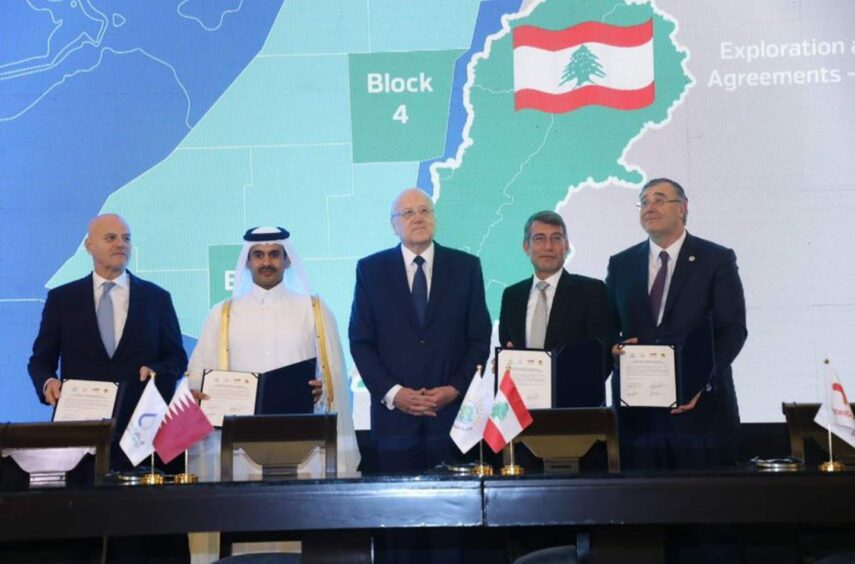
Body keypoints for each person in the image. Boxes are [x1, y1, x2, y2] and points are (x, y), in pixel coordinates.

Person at [25, 213, 188, 563]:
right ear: (89, 246)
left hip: (141, 439)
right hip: (80, 442)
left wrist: (157, 370)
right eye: (111, 238)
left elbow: (176, 357)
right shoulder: (62, 299)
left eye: (126, 238)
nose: (121, 245)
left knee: (142, 543)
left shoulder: (156, 298)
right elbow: (39, 361)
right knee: (84, 539)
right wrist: (47, 383)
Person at [187, 226, 360, 475]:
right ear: (247, 261)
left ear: (287, 260)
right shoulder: (222, 313)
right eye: (258, 255)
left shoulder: (314, 309)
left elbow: (334, 375)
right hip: (237, 449)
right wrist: (200, 392)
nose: (266, 262)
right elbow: (197, 374)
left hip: (304, 442)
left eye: (274, 254)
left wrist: (323, 387)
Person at [606, 178, 747, 470]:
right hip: (639, 420)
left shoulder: (715, 259)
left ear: (682, 208)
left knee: (705, 509)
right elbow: (607, 327)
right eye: (643, 201)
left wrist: (701, 381)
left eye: (659, 199)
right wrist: (613, 347)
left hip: (700, 416)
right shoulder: (621, 264)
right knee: (642, 510)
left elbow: (732, 329)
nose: (649, 207)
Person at [349, 188, 492, 474]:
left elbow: (479, 338)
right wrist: (395, 393)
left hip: (454, 420)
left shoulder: (466, 267)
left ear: (434, 219)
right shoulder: (370, 270)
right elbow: (361, 342)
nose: (418, 218)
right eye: (408, 213)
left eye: (424, 211)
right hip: (394, 425)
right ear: (394, 225)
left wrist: (454, 389)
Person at [499, 210, 613, 363]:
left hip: (574, 387)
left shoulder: (591, 292)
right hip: (523, 387)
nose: (548, 246)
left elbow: (602, 356)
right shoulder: (512, 296)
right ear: (526, 247)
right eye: (539, 239)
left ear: (566, 246)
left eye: (556, 238)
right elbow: (508, 347)